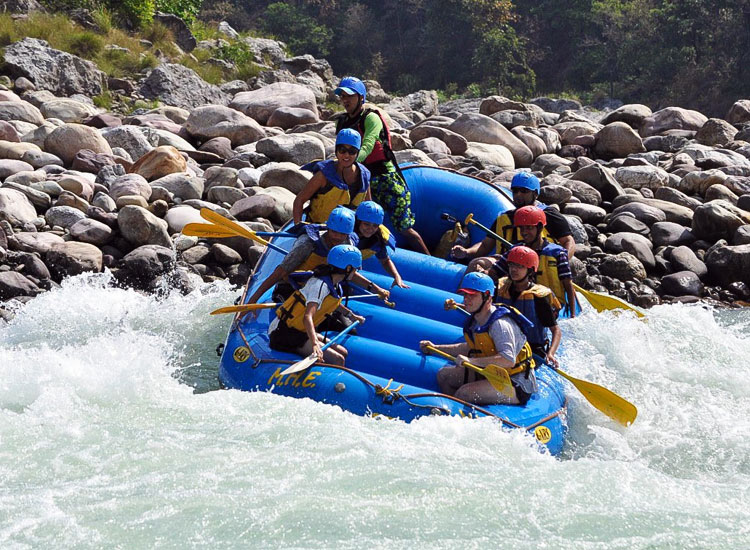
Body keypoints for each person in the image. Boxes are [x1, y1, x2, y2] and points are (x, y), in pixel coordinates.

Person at [334, 76, 431, 256]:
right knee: (358, 222)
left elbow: (368, 144)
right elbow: (340, 148)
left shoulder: (371, 118)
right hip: (362, 179)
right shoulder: (341, 122)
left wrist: (350, 162)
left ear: (361, 98)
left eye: (349, 96)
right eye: (342, 96)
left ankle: (430, 260)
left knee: (404, 227)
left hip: (386, 179)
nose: (345, 100)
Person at [419, 272, 537, 406]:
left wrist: (471, 361)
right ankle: (452, 411)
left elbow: (508, 360)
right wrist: (435, 348)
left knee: (464, 393)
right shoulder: (476, 320)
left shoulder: (500, 324)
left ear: (487, 296)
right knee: (444, 376)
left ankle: (456, 413)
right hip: (492, 374)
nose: (466, 300)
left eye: (473, 295)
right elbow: (471, 348)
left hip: (516, 382)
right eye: (465, 295)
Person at [246, 206, 389, 306]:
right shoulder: (308, 243)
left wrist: (376, 289)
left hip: (321, 290)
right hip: (292, 288)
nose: (338, 238)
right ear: (328, 228)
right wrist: (252, 300)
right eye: (334, 232)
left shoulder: (349, 243)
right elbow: (280, 272)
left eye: (342, 234)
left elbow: (350, 273)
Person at [451, 172, 575, 273]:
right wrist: (466, 252)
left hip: (540, 262)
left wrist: (560, 263)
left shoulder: (549, 215)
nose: (518, 195)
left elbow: (568, 241)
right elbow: (485, 246)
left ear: (535, 194)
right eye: (515, 191)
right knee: (477, 264)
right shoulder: (505, 218)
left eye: (524, 191)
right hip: (506, 262)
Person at [269, 245, 365, 366]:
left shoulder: (334, 284)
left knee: (343, 352)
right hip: (284, 331)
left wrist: (351, 315)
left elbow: (332, 304)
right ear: (348, 268)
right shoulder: (320, 285)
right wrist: (315, 345)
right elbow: (307, 316)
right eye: (355, 270)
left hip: (300, 330)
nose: (355, 273)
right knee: (338, 359)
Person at [493, 205, 577, 317]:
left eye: (529, 228)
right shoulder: (514, 251)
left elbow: (567, 284)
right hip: (522, 302)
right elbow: (494, 272)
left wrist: (572, 315)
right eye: (521, 228)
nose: (524, 232)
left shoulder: (558, 253)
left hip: (552, 305)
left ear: (540, 228)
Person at [495, 246, 562, 367]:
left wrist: (551, 353)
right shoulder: (501, 288)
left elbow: (556, 330)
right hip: (502, 343)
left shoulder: (538, 297)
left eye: (520, 266)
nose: (514, 270)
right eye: (511, 265)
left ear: (530, 270)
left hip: (531, 348)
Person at [294, 129, 371, 225]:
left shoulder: (364, 176)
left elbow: (368, 207)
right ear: (336, 151)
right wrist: (297, 226)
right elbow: (299, 200)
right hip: (319, 229)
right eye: (342, 150)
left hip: (347, 230)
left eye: (352, 151)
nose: (346, 155)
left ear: (357, 153)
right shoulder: (323, 175)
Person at [355, 201, 409, 289]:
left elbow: (385, 261)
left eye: (375, 226)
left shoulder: (377, 238)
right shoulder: (345, 233)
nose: (370, 229)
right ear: (358, 221)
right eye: (366, 224)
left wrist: (396, 276)